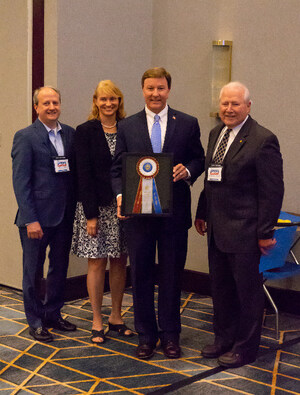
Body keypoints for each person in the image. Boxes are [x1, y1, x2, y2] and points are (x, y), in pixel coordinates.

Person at [111, 67, 205, 359]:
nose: (155, 94)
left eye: (161, 88)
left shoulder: (187, 123)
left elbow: (199, 158)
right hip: (138, 217)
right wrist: (120, 195)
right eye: (150, 88)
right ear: (142, 90)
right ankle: (146, 336)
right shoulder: (127, 126)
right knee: (139, 275)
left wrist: (188, 169)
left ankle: (170, 335)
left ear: (168, 90)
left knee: (171, 275)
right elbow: (117, 168)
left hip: (174, 216)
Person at [195, 81, 284, 368]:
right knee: (220, 289)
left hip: (246, 232)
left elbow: (272, 190)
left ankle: (245, 348)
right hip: (218, 230)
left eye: (235, 104)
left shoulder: (262, 139)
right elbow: (211, 178)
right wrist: (202, 212)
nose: (229, 109)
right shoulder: (215, 133)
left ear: (248, 106)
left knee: (247, 293)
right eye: (225, 103)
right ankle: (224, 339)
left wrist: (265, 232)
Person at [12, 86, 77, 342]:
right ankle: (36, 320)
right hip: (36, 220)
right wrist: (30, 219)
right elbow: (21, 182)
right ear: (36, 107)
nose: (52, 107)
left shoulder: (70, 134)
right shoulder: (25, 137)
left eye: (55, 102)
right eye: (46, 103)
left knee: (59, 269)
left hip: (64, 216)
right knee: (33, 271)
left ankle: (53, 314)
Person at [71, 80, 133, 344]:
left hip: (122, 208)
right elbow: (82, 174)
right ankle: (97, 319)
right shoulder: (84, 131)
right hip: (94, 208)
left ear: (119, 102)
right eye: (103, 99)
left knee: (120, 260)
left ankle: (116, 316)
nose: (109, 104)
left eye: (114, 99)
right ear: (95, 101)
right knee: (96, 262)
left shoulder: (128, 129)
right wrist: (91, 215)